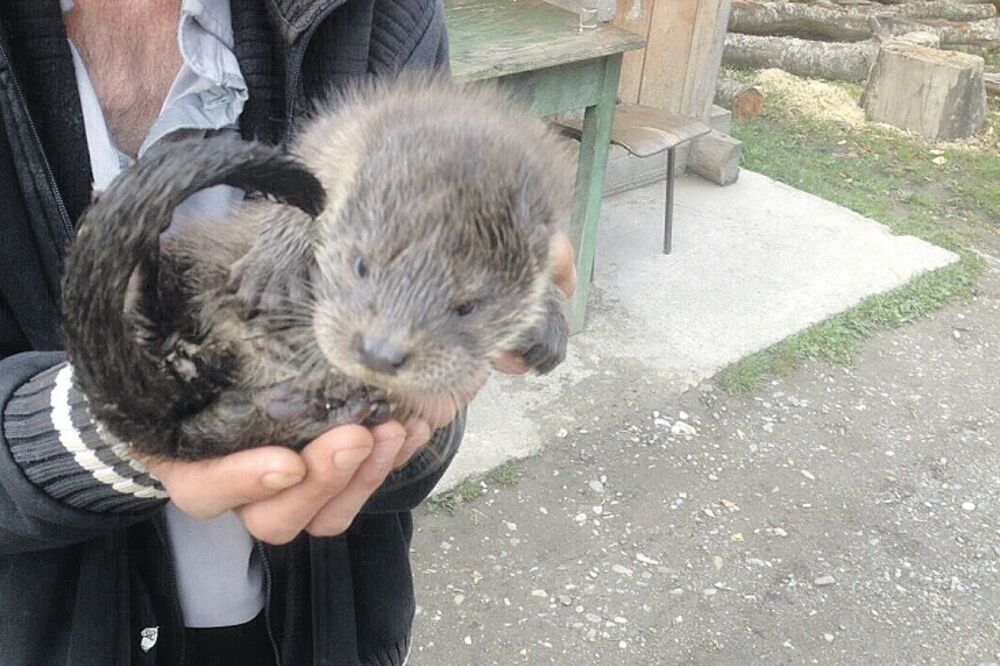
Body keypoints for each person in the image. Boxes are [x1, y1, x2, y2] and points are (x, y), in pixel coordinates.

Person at [0, 1, 576, 664]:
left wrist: (412, 431)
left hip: (317, 623)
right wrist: (113, 424)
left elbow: (419, 414)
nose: (383, 344)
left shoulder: (386, 16)